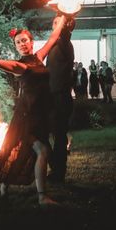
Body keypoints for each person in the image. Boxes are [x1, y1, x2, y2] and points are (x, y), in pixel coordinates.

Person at [0, 15, 66, 205]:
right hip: (26, 116)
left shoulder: (38, 58)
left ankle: (5, 185)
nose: (22, 44)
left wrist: (61, 18)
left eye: (24, 40)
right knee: (42, 150)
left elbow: (53, 38)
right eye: (18, 42)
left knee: (23, 152)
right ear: (16, 46)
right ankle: (42, 196)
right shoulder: (18, 66)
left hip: (40, 115)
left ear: (31, 42)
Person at [47, 16, 75, 183]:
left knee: (59, 136)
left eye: (60, 23)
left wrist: (65, 22)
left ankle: (58, 173)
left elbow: (64, 35)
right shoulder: (53, 45)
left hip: (61, 97)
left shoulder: (65, 44)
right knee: (42, 134)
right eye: (55, 23)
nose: (56, 26)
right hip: (50, 96)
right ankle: (55, 168)